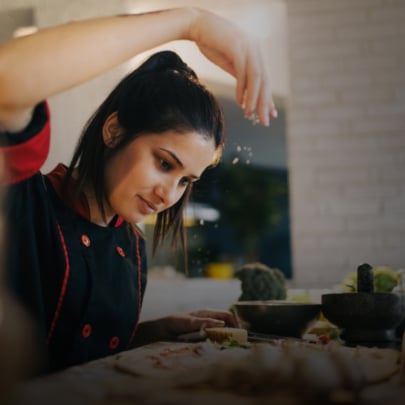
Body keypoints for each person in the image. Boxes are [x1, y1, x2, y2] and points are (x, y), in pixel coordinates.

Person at [0, 7, 277, 374]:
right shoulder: (23, 199)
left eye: (185, 181)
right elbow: (7, 78)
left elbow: (79, 357)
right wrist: (190, 23)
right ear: (114, 130)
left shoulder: (132, 247)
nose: (169, 195)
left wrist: (157, 331)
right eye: (164, 163)